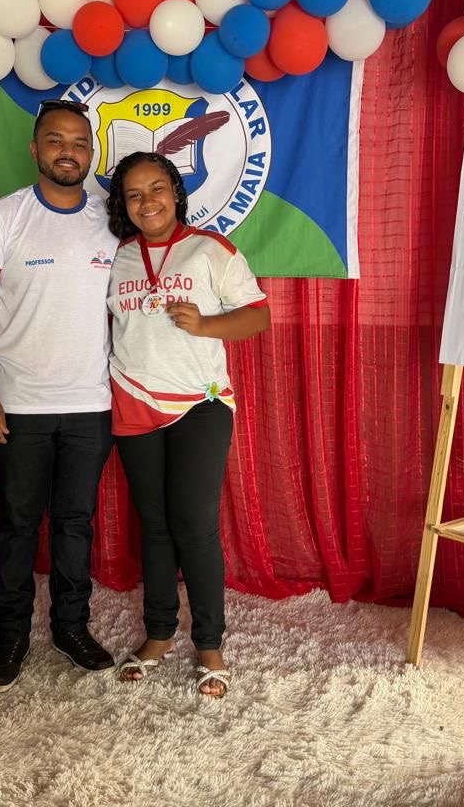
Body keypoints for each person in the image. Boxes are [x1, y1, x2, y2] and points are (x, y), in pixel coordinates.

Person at [0, 99, 120, 693]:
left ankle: (72, 628)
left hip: (90, 403)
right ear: (35, 149)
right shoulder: (2, 218)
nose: (68, 151)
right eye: (55, 140)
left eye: (79, 142)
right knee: (19, 523)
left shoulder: (111, 220)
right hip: (17, 403)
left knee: (75, 522)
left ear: (91, 152)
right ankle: (11, 634)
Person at [104, 151, 270, 697]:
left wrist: (206, 324)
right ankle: (158, 633)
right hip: (133, 399)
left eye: (156, 188)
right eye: (133, 194)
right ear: (123, 205)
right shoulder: (116, 256)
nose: (147, 201)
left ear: (175, 192)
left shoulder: (209, 249)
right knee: (154, 526)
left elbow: (259, 316)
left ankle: (209, 642)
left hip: (201, 402)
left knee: (194, 525)